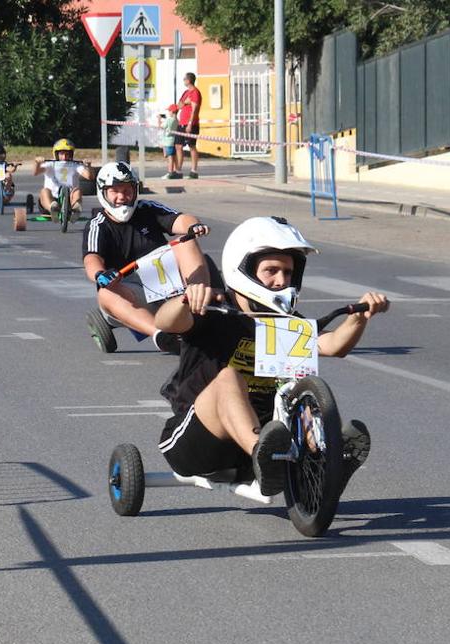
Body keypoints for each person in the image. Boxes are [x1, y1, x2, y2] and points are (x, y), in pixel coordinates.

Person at [154, 216, 388, 496]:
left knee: (301, 391)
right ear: (245, 269)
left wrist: (360, 318)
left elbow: (333, 346)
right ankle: (266, 456)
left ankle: (328, 462)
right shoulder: (214, 310)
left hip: (265, 438)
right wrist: (186, 299)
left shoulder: (284, 321)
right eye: (272, 271)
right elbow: (166, 322)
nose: (281, 281)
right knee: (229, 377)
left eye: (288, 273)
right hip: (198, 442)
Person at [81, 162, 210, 354]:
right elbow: (92, 258)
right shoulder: (98, 225)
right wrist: (101, 274)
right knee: (105, 292)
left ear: (135, 191)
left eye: (127, 190)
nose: (122, 197)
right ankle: (161, 335)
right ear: (103, 193)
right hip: (130, 291)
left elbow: (180, 219)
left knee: (186, 241)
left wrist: (193, 226)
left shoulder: (147, 208)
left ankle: (200, 300)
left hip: (169, 282)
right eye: (115, 191)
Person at [32, 139, 89, 217]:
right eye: (62, 154)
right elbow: (35, 172)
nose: (64, 157)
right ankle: (52, 209)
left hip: (69, 201)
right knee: (44, 191)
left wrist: (88, 166)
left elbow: (89, 176)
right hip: (51, 199)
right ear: (56, 154)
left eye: (67, 154)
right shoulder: (50, 164)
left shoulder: (75, 165)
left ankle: (75, 210)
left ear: (71, 154)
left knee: (77, 191)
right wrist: (37, 163)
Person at [174, 73, 202, 179]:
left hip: (191, 123)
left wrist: (190, 124)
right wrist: (186, 102)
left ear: (189, 80)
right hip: (181, 123)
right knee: (178, 145)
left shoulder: (195, 93)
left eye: (185, 79)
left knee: (191, 146)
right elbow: (179, 105)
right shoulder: (186, 92)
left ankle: (194, 170)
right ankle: (178, 170)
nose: (183, 80)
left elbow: (194, 109)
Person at [159, 105, 180, 178]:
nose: (168, 112)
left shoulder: (169, 120)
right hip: (173, 139)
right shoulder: (177, 120)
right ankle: (174, 171)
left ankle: (170, 173)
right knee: (173, 157)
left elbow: (161, 126)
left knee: (170, 158)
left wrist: (159, 119)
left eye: (169, 111)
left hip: (168, 141)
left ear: (172, 111)